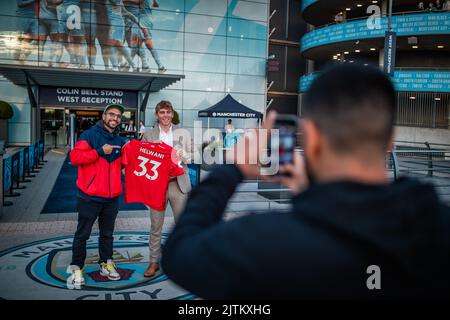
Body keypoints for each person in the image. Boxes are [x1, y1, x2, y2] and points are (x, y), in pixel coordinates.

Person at [161, 64, 450, 299]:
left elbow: (179, 252)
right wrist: (312, 198)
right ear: (390, 141)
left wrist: (232, 170)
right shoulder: (437, 224)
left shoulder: (263, 241)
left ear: (310, 138)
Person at [66, 103, 126, 289]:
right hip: (89, 197)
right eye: (112, 114)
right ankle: (77, 267)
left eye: (118, 116)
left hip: (111, 199)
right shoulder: (88, 135)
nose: (114, 118)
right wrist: (100, 151)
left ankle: (105, 264)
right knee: (82, 235)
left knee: (107, 235)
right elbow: (75, 158)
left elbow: (122, 165)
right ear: (104, 115)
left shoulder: (120, 140)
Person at [141, 100, 191, 277]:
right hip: (158, 186)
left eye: (168, 112)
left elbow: (191, 157)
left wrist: (185, 155)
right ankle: (153, 262)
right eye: (162, 112)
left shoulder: (182, 133)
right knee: (156, 226)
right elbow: (143, 160)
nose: (165, 115)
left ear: (172, 114)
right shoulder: (148, 135)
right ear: (157, 115)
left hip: (178, 184)